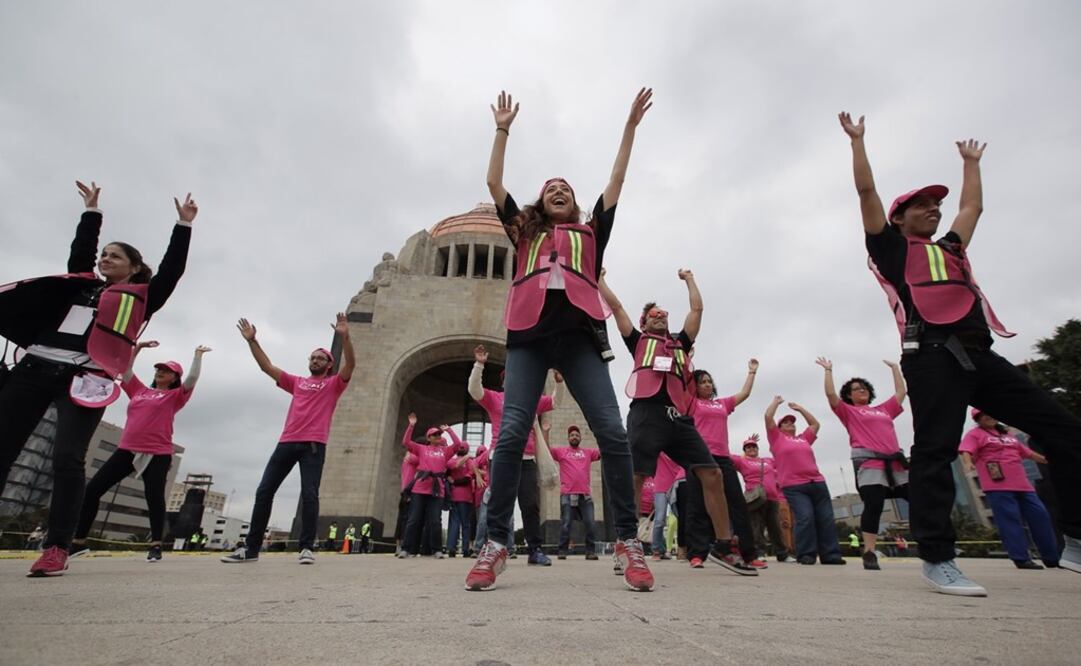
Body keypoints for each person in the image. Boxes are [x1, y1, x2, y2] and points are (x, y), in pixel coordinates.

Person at [839, 111, 1081, 592]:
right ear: (899, 217)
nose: (933, 209)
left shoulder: (951, 247)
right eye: (922, 205)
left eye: (935, 204)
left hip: (981, 357)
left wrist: (971, 164)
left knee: (1066, 432)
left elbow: (972, 209)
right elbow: (867, 194)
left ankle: (1073, 539)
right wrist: (858, 143)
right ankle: (939, 558)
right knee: (935, 450)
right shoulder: (890, 248)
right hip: (930, 356)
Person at [465, 88, 656, 593]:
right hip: (528, 339)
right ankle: (497, 543)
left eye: (566, 188)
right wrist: (502, 128)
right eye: (550, 187)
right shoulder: (523, 231)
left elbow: (616, 181)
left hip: (577, 338)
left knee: (612, 435)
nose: (558, 190)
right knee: (509, 437)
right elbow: (493, 180)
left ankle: (627, 542)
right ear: (539, 201)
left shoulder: (591, 233)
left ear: (573, 204)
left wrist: (630, 128)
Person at [0, 182, 197, 578]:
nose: (106, 259)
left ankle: (57, 546)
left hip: (85, 378)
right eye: (104, 255)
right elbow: (81, 254)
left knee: (67, 458)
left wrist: (183, 225)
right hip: (35, 368)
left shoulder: (142, 297)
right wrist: (91, 212)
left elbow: (172, 270)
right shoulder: (81, 283)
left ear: (135, 268)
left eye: (115, 256)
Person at [600, 269, 756, 576]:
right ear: (644, 322)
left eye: (663, 314)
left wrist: (690, 280)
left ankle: (724, 546)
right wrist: (600, 280)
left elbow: (697, 309)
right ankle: (626, 542)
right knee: (637, 476)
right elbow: (617, 309)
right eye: (652, 315)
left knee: (712, 474)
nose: (659, 317)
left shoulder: (680, 344)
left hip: (679, 419)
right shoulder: (638, 341)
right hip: (647, 412)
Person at [221, 314, 355, 565]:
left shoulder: (334, 384)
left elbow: (351, 366)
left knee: (309, 494)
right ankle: (250, 549)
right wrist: (253, 341)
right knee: (264, 492)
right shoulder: (297, 382)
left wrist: (345, 337)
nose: (314, 360)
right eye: (312, 357)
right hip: (286, 442)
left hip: (313, 444)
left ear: (329, 364)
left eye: (320, 358)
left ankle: (306, 548)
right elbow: (267, 367)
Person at [70, 341, 209, 563]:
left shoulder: (175, 397)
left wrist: (197, 356)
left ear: (174, 377)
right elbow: (125, 370)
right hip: (126, 449)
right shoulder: (139, 390)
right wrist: (138, 349)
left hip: (157, 452)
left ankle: (155, 545)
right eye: (159, 369)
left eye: (167, 370)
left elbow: (191, 380)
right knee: (93, 490)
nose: (160, 372)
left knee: (154, 498)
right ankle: (78, 542)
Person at [815, 357, 910, 571]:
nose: (861, 390)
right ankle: (869, 551)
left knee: (918, 497)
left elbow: (900, 393)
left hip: (895, 463)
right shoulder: (849, 412)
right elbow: (831, 396)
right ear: (849, 395)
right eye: (856, 389)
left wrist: (896, 369)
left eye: (864, 387)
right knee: (874, 505)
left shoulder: (884, 409)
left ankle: (930, 542)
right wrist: (828, 371)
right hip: (870, 463)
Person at [468, 344, 557, 565]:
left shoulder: (531, 401)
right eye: (509, 377)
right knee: (499, 503)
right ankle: (494, 547)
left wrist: (559, 382)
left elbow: (555, 402)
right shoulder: (495, 398)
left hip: (526, 459)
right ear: (504, 382)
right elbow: (474, 390)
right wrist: (479, 364)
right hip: (500, 456)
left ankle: (534, 550)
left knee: (530, 505)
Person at [685, 363, 767, 570]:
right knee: (698, 505)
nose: (707, 384)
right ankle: (697, 554)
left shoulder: (723, 404)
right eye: (702, 382)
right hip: (699, 457)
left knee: (737, 504)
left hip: (723, 458)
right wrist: (687, 362)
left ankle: (748, 554)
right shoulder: (690, 402)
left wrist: (751, 372)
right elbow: (680, 385)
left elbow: (745, 393)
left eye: (709, 381)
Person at [960, 410, 1059, 569]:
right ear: (978, 419)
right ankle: (1020, 557)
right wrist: (967, 463)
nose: (989, 417)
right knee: (1010, 520)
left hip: (1023, 485)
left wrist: (1049, 460)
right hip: (998, 485)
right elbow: (966, 450)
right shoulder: (975, 434)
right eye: (984, 415)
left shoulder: (1008, 435)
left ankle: (1051, 557)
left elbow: (1028, 453)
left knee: (1040, 516)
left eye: (992, 414)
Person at [764, 396, 844, 565]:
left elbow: (815, 425)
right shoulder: (776, 439)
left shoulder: (804, 438)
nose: (790, 423)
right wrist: (775, 403)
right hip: (794, 486)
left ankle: (831, 555)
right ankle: (806, 554)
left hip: (817, 482)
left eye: (791, 422)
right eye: (785, 422)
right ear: (779, 428)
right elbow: (768, 418)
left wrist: (800, 409)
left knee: (826, 518)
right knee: (805, 517)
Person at [398, 414, 462, 558]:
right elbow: (406, 442)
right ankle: (406, 549)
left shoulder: (444, 451)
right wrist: (411, 425)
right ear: (429, 438)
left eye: (439, 434)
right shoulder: (421, 449)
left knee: (435, 520)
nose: (438, 436)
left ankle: (437, 550)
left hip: (437, 489)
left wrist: (449, 431)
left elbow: (457, 445)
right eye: (434, 434)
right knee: (414, 519)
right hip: (420, 488)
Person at [733, 435, 791, 562]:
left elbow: (783, 460)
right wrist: (743, 455)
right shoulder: (742, 461)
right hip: (755, 498)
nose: (751, 449)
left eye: (754, 446)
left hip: (773, 498)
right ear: (744, 450)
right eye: (748, 447)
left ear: (758, 448)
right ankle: (759, 552)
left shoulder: (768, 461)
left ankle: (782, 553)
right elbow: (727, 457)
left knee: (775, 527)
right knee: (756, 526)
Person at [549, 424, 601, 560]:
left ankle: (590, 551)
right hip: (567, 494)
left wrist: (602, 432)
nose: (574, 437)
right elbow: (546, 450)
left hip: (585, 494)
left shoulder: (588, 452)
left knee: (590, 523)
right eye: (572, 435)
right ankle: (562, 550)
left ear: (580, 438)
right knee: (566, 523)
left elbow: (603, 452)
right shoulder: (561, 452)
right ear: (568, 438)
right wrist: (545, 431)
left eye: (577, 435)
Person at [648, 453, 684, 561]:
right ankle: (656, 550)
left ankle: (683, 549)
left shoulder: (679, 447)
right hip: (661, 486)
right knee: (659, 519)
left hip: (677, 483)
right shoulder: (659, 448)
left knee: (681, 518)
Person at [446, 441, 476, 558]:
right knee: (466, 524)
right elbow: (468, 479)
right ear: (467, 450)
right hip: (466, 497)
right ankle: (465, 550)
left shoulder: (451, 461)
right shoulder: (469, 462)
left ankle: (451, 549)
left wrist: (453, 481)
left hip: (453, 496)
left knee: (454, 523)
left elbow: (447, 473)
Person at [394, 452, 418, 555]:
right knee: (408, 520)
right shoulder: (415, 457)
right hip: (411, 492)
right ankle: (405, 546)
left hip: (404, 490)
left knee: (401, 519)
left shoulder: (407, 457)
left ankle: (398, 547)